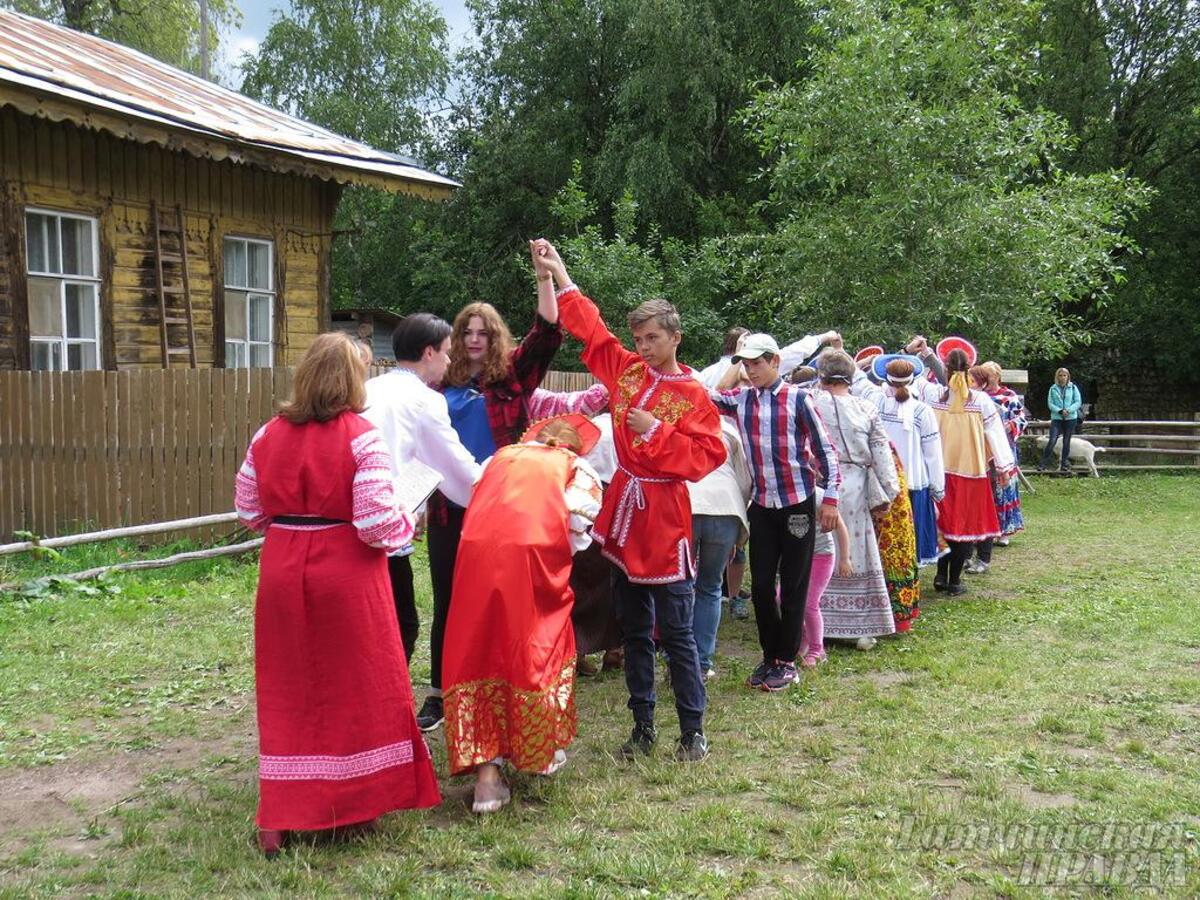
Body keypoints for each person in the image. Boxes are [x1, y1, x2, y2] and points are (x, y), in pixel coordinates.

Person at [235, 333, 441, 857]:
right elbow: (375, 526)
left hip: (283, 569)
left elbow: (249, 510)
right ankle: (352, 804)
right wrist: (407, 524)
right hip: (345, 576)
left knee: (288, 687)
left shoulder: (266, 435)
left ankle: (279, 815)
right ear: (352, 380)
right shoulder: (362, 436)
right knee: (359, 686)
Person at [533, 238, 727, 763]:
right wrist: (561, 275)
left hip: (664, 517)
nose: (642, 346)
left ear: (675, 338)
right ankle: (642, 724)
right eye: (639, 337)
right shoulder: (629, 372)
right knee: (634, 628)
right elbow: (593, 333)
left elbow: (708, 455)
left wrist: (658, 431)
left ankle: (693, 730)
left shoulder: (692, 393)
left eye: (653, 338)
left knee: (678, 633)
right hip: (623, 512)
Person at [422, 247, 563, 731]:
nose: (476, 338)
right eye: (467, 331)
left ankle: (509, 681)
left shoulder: (514, 377)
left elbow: (546, 334)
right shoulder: (438, 386)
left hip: (505, 506)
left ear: (496, 337)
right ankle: (441, 692)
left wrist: (544, 275)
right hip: (448, 509)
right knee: (448, 597)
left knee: (505, 598)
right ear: (456, 339)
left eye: (484, 332)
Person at [442, 415, 603, 813]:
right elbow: (580, 523)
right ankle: (539, 750)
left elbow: (473, 497)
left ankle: (487, 780)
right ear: (571, 445)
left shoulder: (499, 457)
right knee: (538, 645)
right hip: (532, 557)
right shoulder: (575, 467)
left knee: (479, 648)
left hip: (476, 555)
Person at [708, 333, 842, 688]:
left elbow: (826, 451)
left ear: (775, 362)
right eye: (746, 365)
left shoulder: (799, 399)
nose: (750, 371)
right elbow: (705, 397)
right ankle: (770, 657)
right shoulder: (740, 401)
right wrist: (735, 369)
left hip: (797, 503)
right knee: (763, 586)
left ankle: (787, 661)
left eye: (756, 364)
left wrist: (830, 498)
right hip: (763, 505)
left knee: (795, 585)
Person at [363, 314, 481, 667]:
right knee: (401, 627)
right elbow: (454, 465)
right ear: (429, 353)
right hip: (383, 526)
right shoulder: (424, 399)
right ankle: (383, 710)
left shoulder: (370, 388)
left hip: (354, 521)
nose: (449, 360)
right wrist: (494, 483)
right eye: (446, 352)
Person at [812, 349, 900, 650]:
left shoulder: (810, 402)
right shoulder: (866, 409)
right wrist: (889, 493)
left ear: (822, 375)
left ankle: (814, 621)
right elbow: (882, 456)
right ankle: (859, 629)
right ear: (851, 376)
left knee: (817, 551)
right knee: (857, 552)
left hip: (818, 486)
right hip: (856, 486)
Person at [927, 349, 1016, 594]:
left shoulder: (934, 395)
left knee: (943, 524)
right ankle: (954, 581)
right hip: (971, 473)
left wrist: (922, 352)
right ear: (969, 369)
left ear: (945, 370)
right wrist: (1004, 467)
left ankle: (940, 575)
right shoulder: (980, 401)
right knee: (964, 528)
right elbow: (996, 435)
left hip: (939, 471)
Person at [686, 417, 752, 680]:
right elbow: (745, 481)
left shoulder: (677, 422)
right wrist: (738, 527)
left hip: (686, 506)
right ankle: (701, 663)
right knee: (711, 587)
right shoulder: (728, 429)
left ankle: (677, 658)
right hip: (726, 508)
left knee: (681, 586)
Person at [866, 355, 945, 567]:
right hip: (913, 481)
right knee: (911, 535)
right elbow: (933, 453)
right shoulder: (922, 410)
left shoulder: (875, 403)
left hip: (881, 481)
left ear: (886, 378)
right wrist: (938, 487)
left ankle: (882, 577)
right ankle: (907, 579)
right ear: (912, 379)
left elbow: (858, 381)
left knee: (882, 535)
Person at [967, 362, 1026, 572]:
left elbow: (1021, 418)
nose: (990, 379)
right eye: (987, 375)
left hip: (1002, 447)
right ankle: (979, 535)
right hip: (980, 449)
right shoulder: (974, 395)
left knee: (1003, 490)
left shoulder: (1008, 395)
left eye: (993, 375)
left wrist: (1009, 426)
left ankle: (1003, 531)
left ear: (998, 376)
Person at [797, 485, 852, 667]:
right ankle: (805, 637)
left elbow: (841, 528)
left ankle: (817, 649)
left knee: (809, 603)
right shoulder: (788, 496)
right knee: (782, 598)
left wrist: (844, 559)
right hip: (799, 557)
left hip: (821, 557)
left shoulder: (820, 496)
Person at [1039, 367, 1082, 474]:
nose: (1062, 377)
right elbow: (1050, 403)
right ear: (1057, 376)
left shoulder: (1073, 388)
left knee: (1066, 441)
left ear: (1068, 377)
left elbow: (1078, 401)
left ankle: (1064, 464)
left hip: (1070, 417)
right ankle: (1043, 464)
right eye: (1060, 375)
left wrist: (1069, 410)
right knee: (1052, 440)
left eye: (1064, 375)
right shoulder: (1053, 388)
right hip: (1057, 418)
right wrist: (1059, 411)